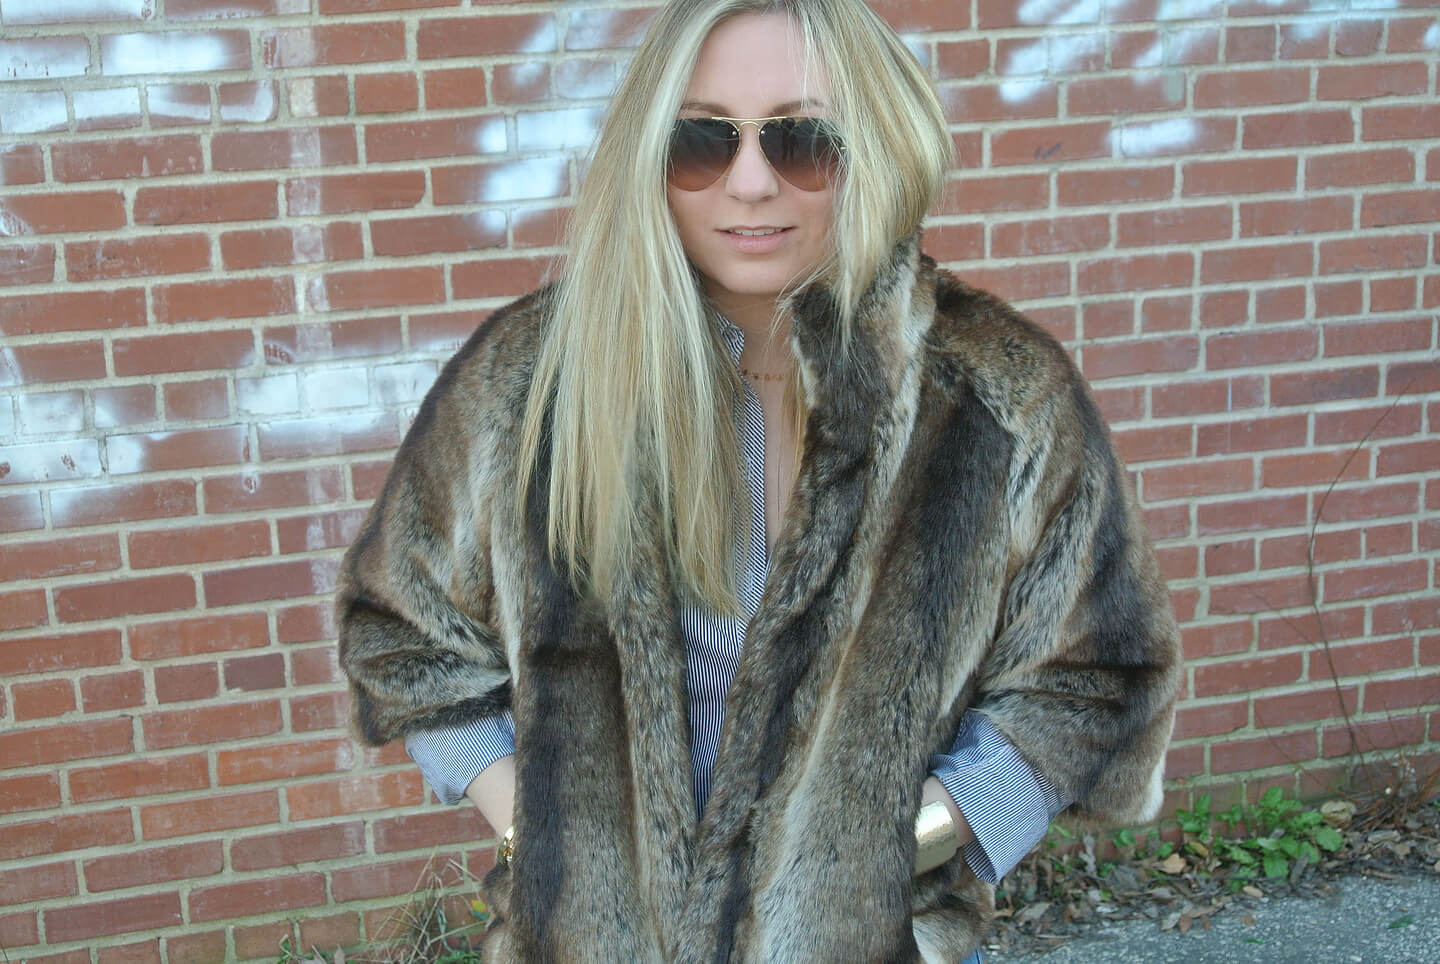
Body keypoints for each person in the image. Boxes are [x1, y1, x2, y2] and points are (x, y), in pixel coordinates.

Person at [336, 1, 1182, 960]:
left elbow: (1093, 681)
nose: (748, 182)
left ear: (876, 146)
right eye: (702, 140)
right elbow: (403, 632)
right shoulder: (531, 384)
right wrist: (538, 837)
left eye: (802, 141)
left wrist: (901, 849)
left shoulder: (997, 398)